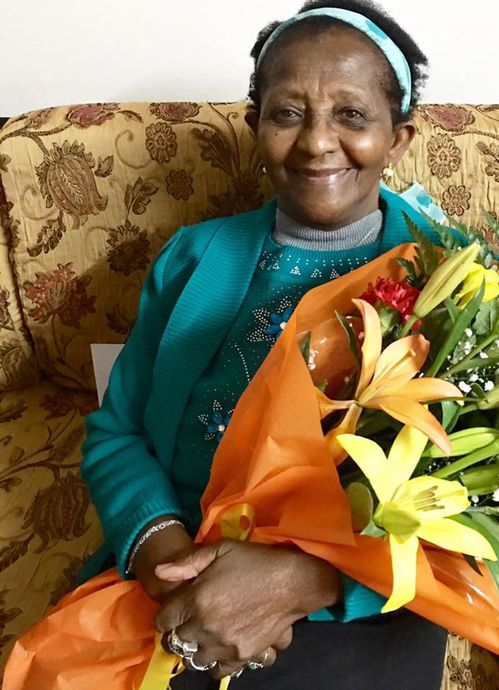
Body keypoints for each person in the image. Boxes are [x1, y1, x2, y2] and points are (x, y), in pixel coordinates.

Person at [80, 1, 448, 688]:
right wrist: (167, 556)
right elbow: (117, 428)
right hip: (181, 566)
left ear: (399, 138)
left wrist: (308, 580)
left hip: (360, 601)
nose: (316, 142)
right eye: (287, 114)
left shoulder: (452, 280)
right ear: (255, 127)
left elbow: (481, 504)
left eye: (352, 114)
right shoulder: (193, 258)